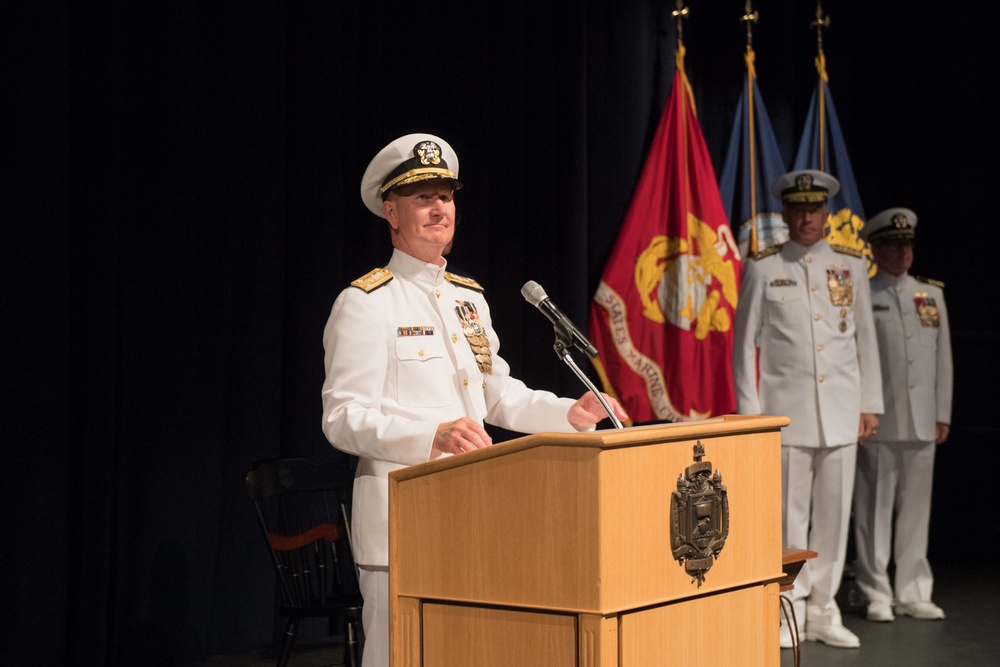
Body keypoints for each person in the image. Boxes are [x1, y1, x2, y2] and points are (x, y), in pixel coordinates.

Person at [321, 133, 627, 667]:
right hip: (401, 520)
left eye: (446, 196)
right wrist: (430, 436)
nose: (439, 207)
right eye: (423, 197)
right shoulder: (365, 303)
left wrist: (569, 413)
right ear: (391, 212)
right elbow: (342, 418)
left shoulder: (469, 299)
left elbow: (497, 394)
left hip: (474, 513)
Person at [732, 169, 883, 649]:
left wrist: (869, 403)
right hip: (786, 416)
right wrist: (754, 416)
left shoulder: (851, 266)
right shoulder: (762, 267)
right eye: (797, 210)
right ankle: (787, 610)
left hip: (840, 412)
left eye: (814, 210)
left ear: (826, 215)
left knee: (834, 520)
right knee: (789, 520)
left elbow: (865, 340)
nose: (806, 218)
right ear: (785, 214)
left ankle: (824, 611)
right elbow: (743, 348)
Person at [853, 207, 952, 623]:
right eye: (892, 246)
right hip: (881, 417)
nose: (901, 253)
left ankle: (913, 589)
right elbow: (858, 359)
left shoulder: (931, 294)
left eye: (906, 245)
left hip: (922, 419)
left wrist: (942, 410)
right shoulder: (865, 294)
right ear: (874, 249)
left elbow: (942, 358)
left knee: (916, 510)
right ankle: (875, 590)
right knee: (873, 509)